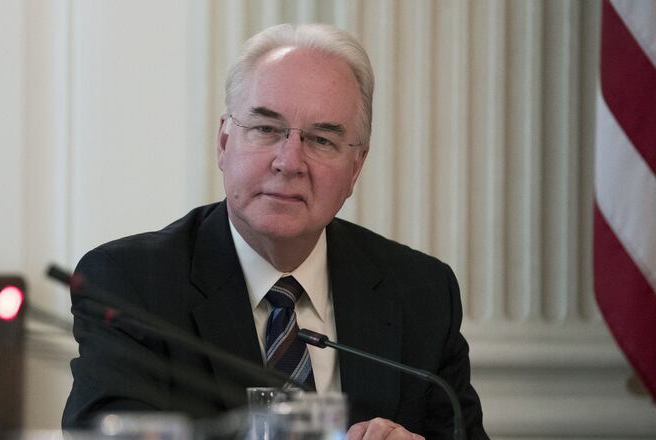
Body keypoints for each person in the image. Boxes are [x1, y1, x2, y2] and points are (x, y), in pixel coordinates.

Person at [63, 23, 488, 439]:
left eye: (322, 140)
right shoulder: (131, 284)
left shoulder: (421, 293)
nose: (290, 162)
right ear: (225, 143)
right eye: (266, 129)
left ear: (355, 168)